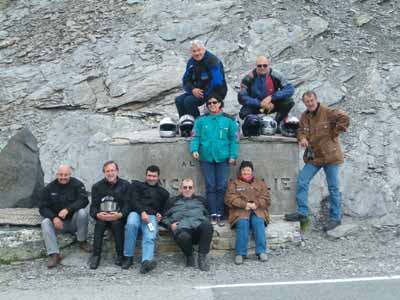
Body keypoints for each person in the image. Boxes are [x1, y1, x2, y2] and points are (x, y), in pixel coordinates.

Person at [284, 91, 350, 231]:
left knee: (333, 187)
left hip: (331, 156)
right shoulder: (304, 116)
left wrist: (335, 132)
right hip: (314, 157)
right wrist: (301, 138)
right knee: (302, 180)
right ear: (304, 103)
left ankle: (335, 217)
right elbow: (300, 130)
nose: (310, 103)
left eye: (312, 100)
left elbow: (344, 118)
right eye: (307, 101)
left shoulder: (328, 112)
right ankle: (302, 212)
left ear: (316, 99)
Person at [190, 93, 238, 227]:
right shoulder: (200, 121)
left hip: (223, 157)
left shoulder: (229, 121)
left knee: (222, 186)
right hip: (206, 157)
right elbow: (195, 137)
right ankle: (212, 213)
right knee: (210, 186)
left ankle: (220, 213)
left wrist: (233, 155)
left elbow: (234, 140)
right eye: (209, 103)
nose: (212, 105)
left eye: (214, 102)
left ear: (220, 103)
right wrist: (194, 150)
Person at [39, 164, 91, 268]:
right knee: (45, 222)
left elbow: (84, 200)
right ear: (57, 174)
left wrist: (68, 209)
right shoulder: (49, 188)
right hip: (58, 224)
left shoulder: (77, 184)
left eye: (66, 175)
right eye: (61, 175)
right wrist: (54, 218)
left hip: (73, 222)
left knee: (82, 213)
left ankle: (82, 241)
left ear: (70, 174)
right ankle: (54, 254)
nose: (63, 177)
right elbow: (42, 207)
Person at [122, 165, 170, 273]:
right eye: (149, 175)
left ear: (158, 177)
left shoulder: (163, 193)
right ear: (146, 175)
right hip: (135, 212)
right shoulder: (136, 186)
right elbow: (133, 201)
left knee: (150, 234)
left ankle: (146, 262)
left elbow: (163, 210)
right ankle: (128, 257)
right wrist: (142, 212)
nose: (151, 178)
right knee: (131, 225)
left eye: (154, 176)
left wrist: (160, 215)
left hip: (151, 217)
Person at [225, 161, 270, 265]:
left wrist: (257, 204)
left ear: (252, 171)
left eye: (248, 170)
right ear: (240, 172)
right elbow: (229, 198)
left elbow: (266, 198)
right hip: (240, 211)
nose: (246, 172)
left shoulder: (260, 183)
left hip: (257, 210)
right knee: (242, 224)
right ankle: (240, 253)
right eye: (244, 170)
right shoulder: (234, 183)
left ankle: (261, 251)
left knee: (258, 222)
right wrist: (244, 204)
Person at [163, 179, 213, 271]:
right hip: (182, 228)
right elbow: (164, 217)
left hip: (198, 227)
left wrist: (205, 220)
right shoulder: (172, 201)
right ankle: (189, 256)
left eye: (190, 187)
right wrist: (170, 225)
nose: (187, 189)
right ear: (181, 189)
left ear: (193, 189)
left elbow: (207, 214)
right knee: (183, 236)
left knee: (207, 225)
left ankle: (202, 258)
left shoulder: (201, 200)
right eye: (185, 187)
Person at [89, 161, 131, 269]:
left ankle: (120, 255)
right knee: (99, 224)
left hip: (118, 217)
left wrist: (120, 214)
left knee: (117, 224)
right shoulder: (97, 186)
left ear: (117, 171)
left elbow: (128, 204)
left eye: (112, 170)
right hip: (102, 217)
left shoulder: (125, 185)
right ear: (104, 172)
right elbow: (93, 207)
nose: (110, 173)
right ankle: (96, 255)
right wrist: (98, 214)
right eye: (107, 171)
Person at [175, 40, 227, 118]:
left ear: (204, 49)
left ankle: (196, 125)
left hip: (216, 91)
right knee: (178, 100)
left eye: (199, 50)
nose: (197, 53)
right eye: (194, 51)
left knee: (189, 101)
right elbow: (186, 80)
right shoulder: (191, 62)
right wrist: (192, 90)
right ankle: (185, 124)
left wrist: (203, 93)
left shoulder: (212, 61)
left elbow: (217, 82)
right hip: (199, 90)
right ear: (191, 52)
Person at [238, 56, 295, 125]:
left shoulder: (276, 75)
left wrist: (272, 97)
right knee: (243, 113)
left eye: (265, 65)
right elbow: (241, 97)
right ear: (256, 66)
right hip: (255, 105)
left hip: (272, 103)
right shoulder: (248, 78)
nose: (262, 68)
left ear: (269, 65)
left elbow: (290, 89)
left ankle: (278, 122)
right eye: (259, 66)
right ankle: (255, 125)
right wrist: (260, 103)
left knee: (289, 101)